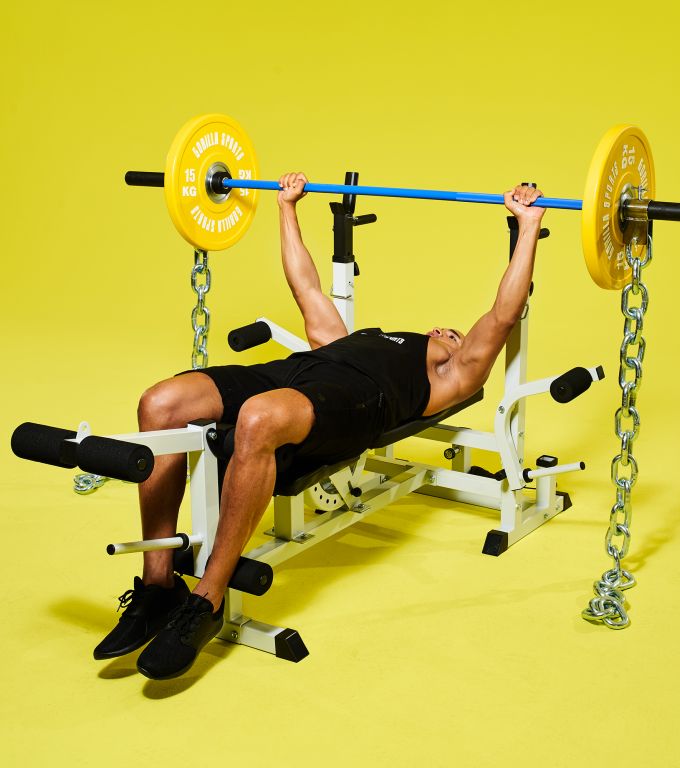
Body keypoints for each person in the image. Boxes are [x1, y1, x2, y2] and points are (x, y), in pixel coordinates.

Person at [93, 174, 546, 679]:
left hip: (356, 403)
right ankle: (158, 586)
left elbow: (503, 315)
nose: (444, 330)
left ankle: (208, 599)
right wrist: (287, 206)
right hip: (298, 372)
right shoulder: (353, 339)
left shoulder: (451, 373)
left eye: (454, 334)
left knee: (258, 417)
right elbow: (305, 285)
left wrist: (527, 226)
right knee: (160, 403)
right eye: (442, 328)